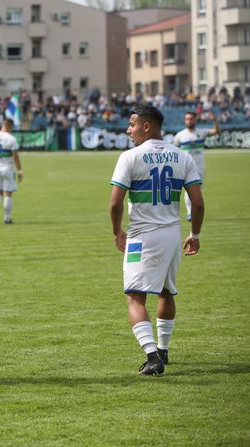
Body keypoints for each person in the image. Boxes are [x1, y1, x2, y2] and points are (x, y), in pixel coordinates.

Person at [109, 104, 204, 376]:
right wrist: (194, 235)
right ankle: (163, 348)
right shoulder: (182, 156)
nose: (129, 129)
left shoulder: (130, 157)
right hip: (173, 234)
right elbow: (197, 203)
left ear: (146, 126)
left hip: (142, 236)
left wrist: (117, 232)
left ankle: (152, 357)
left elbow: (115, 203)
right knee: (166, 291)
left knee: (134, 296)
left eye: (132, 124)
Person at [172, 111, 220, 221]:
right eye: (187, 119)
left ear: (195, 119)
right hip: (185, 166)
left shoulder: (202, 132)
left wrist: (214, 120)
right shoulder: (180, 135)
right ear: (185, 121)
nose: (189, 121)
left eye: (191, 118)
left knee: (196, 190)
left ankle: (191, 212)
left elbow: (217, 131)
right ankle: (190, 213)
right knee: (189, 189)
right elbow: (174, 150)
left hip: (199, 167)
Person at [0, 118, 23, 224]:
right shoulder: (11, 139)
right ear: (10, 126)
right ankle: (7, 218)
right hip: (8, 169)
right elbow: (15, 156)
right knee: (8, 193)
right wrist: (20, 170)